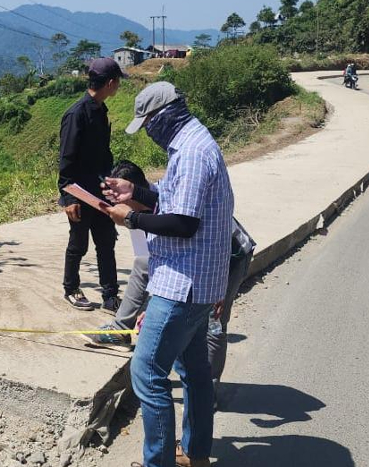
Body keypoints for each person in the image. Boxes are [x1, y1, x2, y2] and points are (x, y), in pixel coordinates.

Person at [104, 82, 234, 467]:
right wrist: (137, 190)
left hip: (183, 282)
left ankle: (158, 462)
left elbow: (183, 222)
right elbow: (174, 195)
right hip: (199, 282)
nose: (148, 132)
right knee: (194, 371)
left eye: (148, 124)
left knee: (146, 370)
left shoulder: (191, 152)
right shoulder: (193, 142)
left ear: (164, 115)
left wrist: (130, 218)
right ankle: (195, 454)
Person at [87, 161, 256, 408]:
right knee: (142, 266)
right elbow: (148, 264)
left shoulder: (171, 206)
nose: (117, 209)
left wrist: (218, 285)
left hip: (229, 254)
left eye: (121, 200)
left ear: (136, 190)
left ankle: (207, 391)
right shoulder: (135, 214)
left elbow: (212, 246)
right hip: (200, 257)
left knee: (214, 323)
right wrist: (151, 306)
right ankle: (120, 329)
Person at [58, 57, 127, 312]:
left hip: (101, 191)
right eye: (118, 82)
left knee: (106, 242)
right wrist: (69, 198)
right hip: (79, 192)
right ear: (110, 83)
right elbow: (66, 158)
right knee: (78, 244)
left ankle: (110, 296)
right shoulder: (76, 114)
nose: (118, 87)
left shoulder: (101, 109)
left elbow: (103, 153)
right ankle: (71, 288)